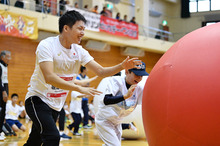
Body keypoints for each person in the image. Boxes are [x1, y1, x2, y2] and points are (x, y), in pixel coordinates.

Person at [23, 10, 141, 146]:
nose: (83, 32)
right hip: (37, 99)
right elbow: (49, 77)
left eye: (84, 29)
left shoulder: (79, 51)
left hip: (55, 104)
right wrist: (78, 88)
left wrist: (121, 65)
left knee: (34, 142)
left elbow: (101, 71)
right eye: (80, 28)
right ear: (66, 28)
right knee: (52, 137)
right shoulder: (47, 45)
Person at [95, 62, 148, 146]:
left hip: (117, 122)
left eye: (141, 76)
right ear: (127, 71)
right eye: (137, 75)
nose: (139, 78)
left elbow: (149, 101)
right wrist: (125, 96)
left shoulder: (139, 88)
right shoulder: (116, 81)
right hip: (104, 120)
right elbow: (106, 100)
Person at [0, 50, 11, 141]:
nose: (9, 59)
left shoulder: (5, 66)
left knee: (3, 111)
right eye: (8, 57)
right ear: (2, 57)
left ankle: (0, 131)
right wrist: (3, 91)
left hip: (5, 89)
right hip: (1, 90)